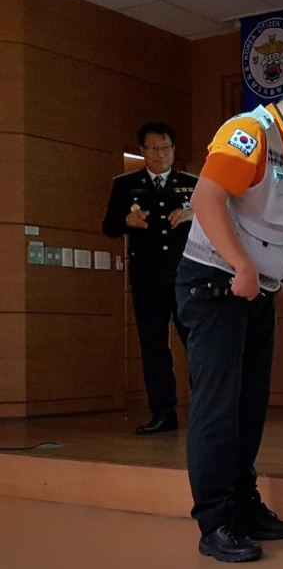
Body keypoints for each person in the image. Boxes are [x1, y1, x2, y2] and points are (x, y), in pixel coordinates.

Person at [176, 61, 283, 562]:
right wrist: (241, 266)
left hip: (251, 293)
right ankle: (215, 522)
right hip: (216, 287)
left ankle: (242, 504)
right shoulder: (249, 132)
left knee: (249, 407)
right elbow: (206, 200)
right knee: (218, 409)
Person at [102, 123, 197, 435]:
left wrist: (194, 215)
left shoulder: (192, 184)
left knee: (197, 345)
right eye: (154, 148)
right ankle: (163, 413)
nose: (160, 154)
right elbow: (109, 226)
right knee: (154, 347)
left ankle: (205, 413)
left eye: (166, 147)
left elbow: (221, 220)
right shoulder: (126, 184)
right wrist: (126, 220)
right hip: (147, 279)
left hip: (186, 278)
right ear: (142, 150)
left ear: (174, 150)